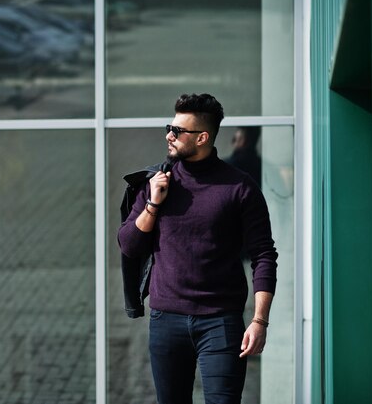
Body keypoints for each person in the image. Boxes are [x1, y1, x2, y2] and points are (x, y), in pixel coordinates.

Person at [117, 93, 277, 404]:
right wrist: (153, 204)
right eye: (169, 127)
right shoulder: (157, 181)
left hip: (221, 322)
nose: (169, 135)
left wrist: (259, 321)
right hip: (166, 321)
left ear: (202, 137)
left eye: (177, 130)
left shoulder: (239, 187)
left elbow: (264, 255)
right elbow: (129, 245)